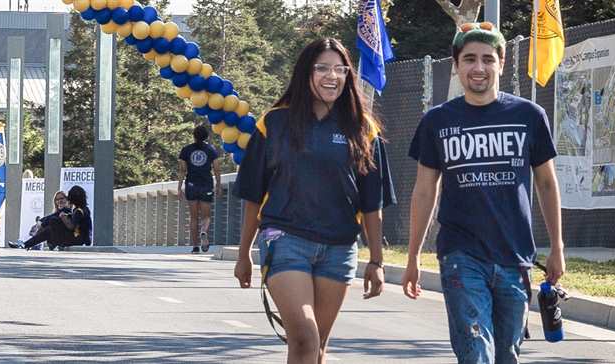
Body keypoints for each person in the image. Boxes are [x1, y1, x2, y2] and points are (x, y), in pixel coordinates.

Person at [403, 24, 566, 364]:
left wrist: (557, 248)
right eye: (469, 59)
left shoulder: (528, 116)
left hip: (514, 256)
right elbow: (423, 191)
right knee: (476, 352)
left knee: (506, 354)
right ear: (456, 65)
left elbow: (547, 184)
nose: (479, 68)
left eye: (488, 59)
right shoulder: (437, 121)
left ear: (502, 64)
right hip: (460, 256)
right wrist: (414, 256)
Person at [231, 38, 393, 364]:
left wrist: (376, 261)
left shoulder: (364, 129)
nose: (331, 76)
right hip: (285, 240)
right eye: (322, 68)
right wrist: (244, 253)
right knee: (305, 336)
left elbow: (371, 205)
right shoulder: (274, 123)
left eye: (339, 69)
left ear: (348, 76)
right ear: (305, 73)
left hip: (339, 248)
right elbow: (252, 195)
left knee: (316, 350)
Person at [180, 124, 223, 253]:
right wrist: (218, 184)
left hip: (191, 185)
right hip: (206, 185)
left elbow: (182, 170)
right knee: (206, 216)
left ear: (194, 136)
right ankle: (204, 231)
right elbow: (216, 169)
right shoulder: (211, 150)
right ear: (206, 136)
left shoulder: (186, 150)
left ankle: (195, 247)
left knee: (193, 217)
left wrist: (178, 187)